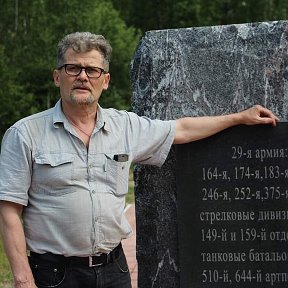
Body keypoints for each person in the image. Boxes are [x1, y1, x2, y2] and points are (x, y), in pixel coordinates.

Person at [0, 32, 279, 288]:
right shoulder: (25, 134)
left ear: (105, 80)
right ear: (57, 77)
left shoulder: (125, 127)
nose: (83, 76)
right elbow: (9, 210)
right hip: (55, 275)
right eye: (73, 68)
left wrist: (239, 118)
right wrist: (23, 279)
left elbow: (180, 129)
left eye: (93, 70)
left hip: (113, 271)